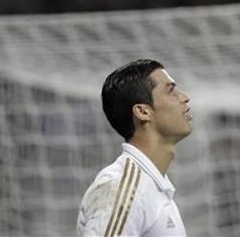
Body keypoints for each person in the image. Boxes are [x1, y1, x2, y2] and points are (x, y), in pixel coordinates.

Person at [77, 59, 193, 237]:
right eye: (171, 90)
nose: (184, 97)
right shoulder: (124, 189)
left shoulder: (150, 186)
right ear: (143, 112)